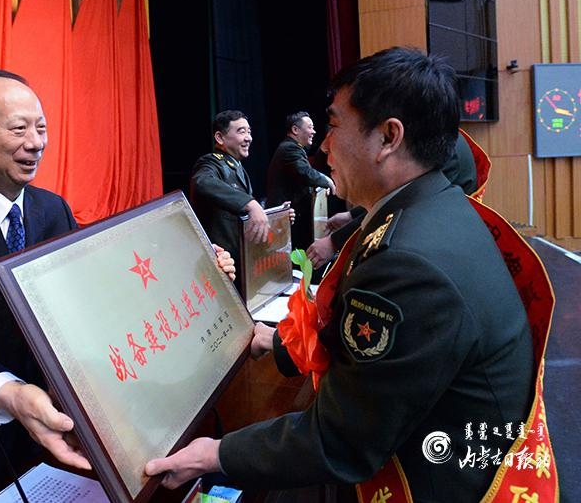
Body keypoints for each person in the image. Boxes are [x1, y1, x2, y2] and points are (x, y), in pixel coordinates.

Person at [145, 47, 537, 501]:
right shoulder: (434, 207)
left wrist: (214, 454)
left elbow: (342, 440)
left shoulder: (408, 263)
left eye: (332, 126)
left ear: (388, 137)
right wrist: (280, 343)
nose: (324, 146)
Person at [0, 69, 237, 502]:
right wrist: (8, 392)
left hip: (39, 433)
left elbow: (96, 289)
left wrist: (193, 264)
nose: (36, 143)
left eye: (41, 128)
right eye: (19, 128)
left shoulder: (51, 208)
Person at [307, 131, 479, 269]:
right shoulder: (435, 138)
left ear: (392, 135)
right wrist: (351, 216)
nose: (325, 146)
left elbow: (398, 203)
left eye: (336, 125)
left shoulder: (402, 258)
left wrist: (335, 241)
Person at [189, 110, 270, 291]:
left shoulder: (238, 166)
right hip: (220, 266)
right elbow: (202, 181)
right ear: (220, 137)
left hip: (241, 264)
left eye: (249, 131)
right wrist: (250, 204)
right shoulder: (211, 162)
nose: (248, 138)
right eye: (241, 131)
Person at [266, 111, 334, 250]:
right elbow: (305, 173)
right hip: (287, 220)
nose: (314, 132)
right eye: (310, 127)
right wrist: (327, 181)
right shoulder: (290, 148)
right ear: (295, 130)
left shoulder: (293, 148)